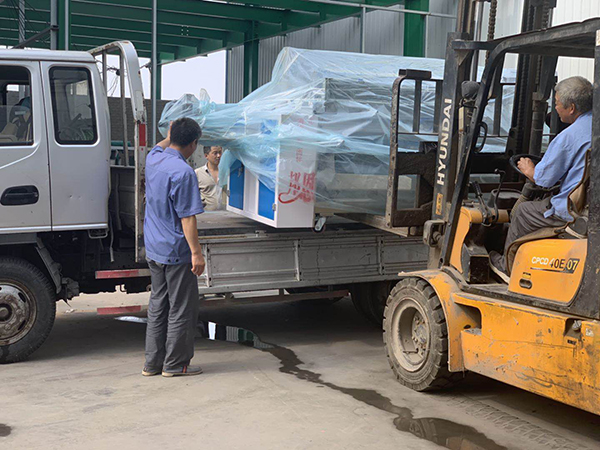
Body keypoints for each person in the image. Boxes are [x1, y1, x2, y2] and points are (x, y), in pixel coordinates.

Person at [489, 76, 593, 283]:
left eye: (557, 103)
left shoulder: (569, 137)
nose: (555, 108)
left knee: (523, 211)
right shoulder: (594, 128)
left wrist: (529, 169)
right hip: (593, 206)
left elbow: (544, 179)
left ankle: (507, 268)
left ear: (571, 108)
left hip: (575, 212)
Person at [142, 118, 206, 377]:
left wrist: (171, 133)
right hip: (176, 251)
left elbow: (161, 144)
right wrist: (196, 253)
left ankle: (152, 364)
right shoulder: (184, 172)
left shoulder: (153, 159)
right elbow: (187, 217)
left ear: (171, 136)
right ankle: (175, 364)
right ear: (194, 144)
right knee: (181, 308)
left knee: (158, 305)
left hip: (154, 247)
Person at [195, 145, 226, 211]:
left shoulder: (227, 172)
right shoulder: (198, 173)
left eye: (220, 152)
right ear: (206, 156)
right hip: (206, 214)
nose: (218, 156)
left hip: (226, 214)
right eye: (215, 153)